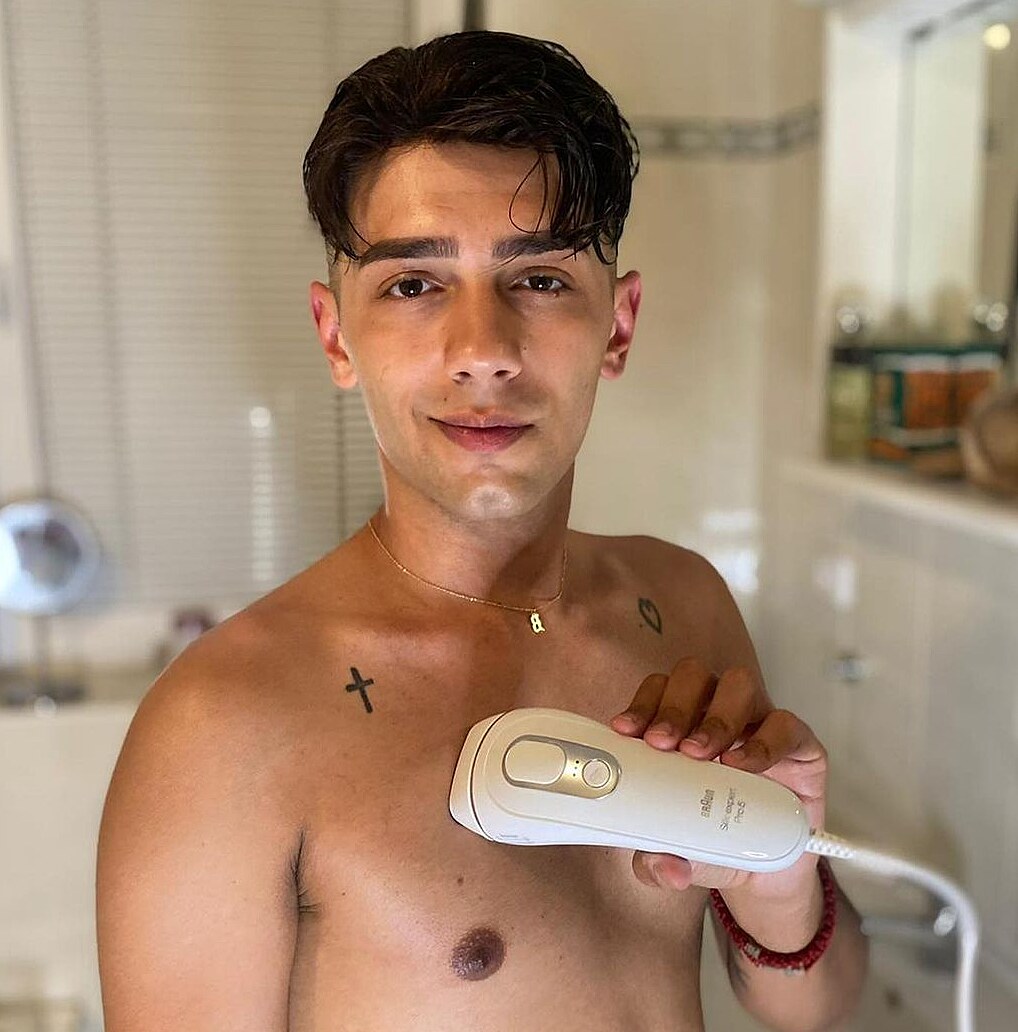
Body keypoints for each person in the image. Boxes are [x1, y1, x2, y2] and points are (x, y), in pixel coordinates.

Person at [96, 29, 868, 1032]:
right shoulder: (223, 725)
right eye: (412, 285)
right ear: (337, 337)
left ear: (617, 324)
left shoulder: (686, 607)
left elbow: (814, 1007)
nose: (483, 351)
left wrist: (781, 883)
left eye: (539, 278)